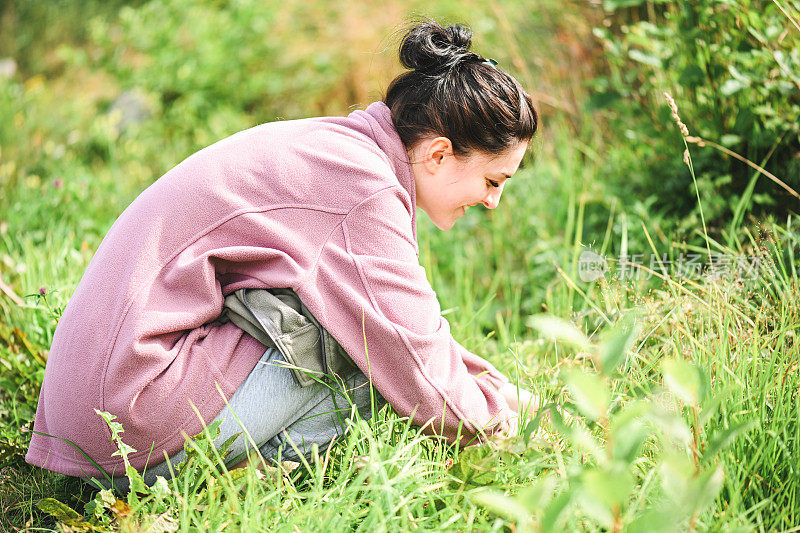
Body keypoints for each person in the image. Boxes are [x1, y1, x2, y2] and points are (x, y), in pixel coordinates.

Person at [25, 19, 539, 491]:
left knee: (358, 336)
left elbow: (407, 332)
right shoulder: (362, 189)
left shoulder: (343, 150)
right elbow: (409, 353)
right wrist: (501, 417)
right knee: (367, 372)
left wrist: (487, 386)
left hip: (97, 415)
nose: (493, 202)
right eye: (493, 181)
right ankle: (247, 473)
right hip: (125, 426)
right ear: (439, 153)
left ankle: (254, 464)